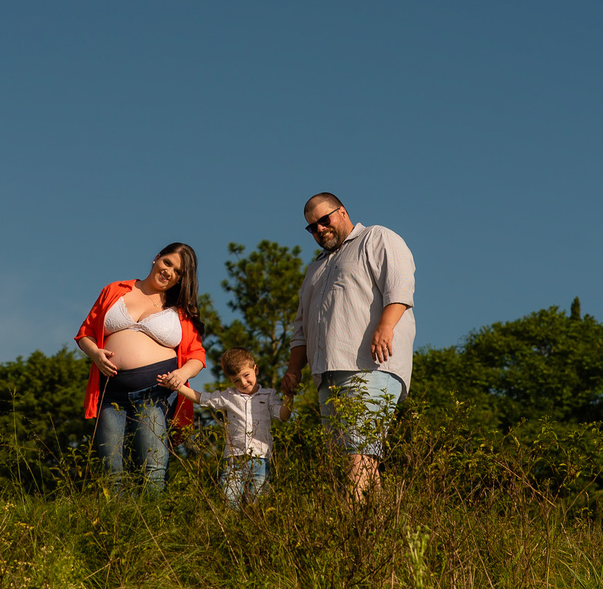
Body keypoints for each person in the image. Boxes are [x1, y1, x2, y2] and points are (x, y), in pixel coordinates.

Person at [281, 192, 416, 499]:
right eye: (312, 227)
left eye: (324, 220)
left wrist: (385, 326)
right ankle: (378, 526)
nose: (319, 229)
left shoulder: (375, 237)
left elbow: (400, 286)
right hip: (327, 374)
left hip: (370, 367)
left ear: (342, 212)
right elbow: (301, 327)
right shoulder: (315, 268)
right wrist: (293, 370)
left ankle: (346, 521)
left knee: (357, 453)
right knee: (354, 460)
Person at [75, 242, 206, 493]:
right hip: (110, 391)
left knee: (152, 468)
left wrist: (182, 374)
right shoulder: (115, 290)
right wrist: (95, 353)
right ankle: (118, 518)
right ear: (157, 258)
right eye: (167, 263)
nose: (169, 272)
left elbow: (197, 355)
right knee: (111, 469)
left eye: (178, 272)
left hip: (156, 392)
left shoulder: (181, 310)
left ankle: (153, 517)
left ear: (181, 279)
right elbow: (85, 332)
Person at [165, 347, 292, 508]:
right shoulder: (229, 396)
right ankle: (229, 524)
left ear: (256, 369)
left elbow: (283, 415)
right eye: (236, 380)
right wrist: (177, 386)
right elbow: (201, 398)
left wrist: (289, 396)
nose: (243, 383)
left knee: (258, 503)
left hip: (260, 458)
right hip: (234, 459)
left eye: (246, 375)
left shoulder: (268, 396)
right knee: (229, 501)